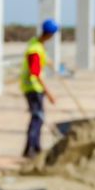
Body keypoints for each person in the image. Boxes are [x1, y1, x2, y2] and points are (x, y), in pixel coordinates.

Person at [21, 17, 59, 155]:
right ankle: (31, 149)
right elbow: (35, 73)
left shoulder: (36, 43)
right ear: (49, 34)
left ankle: (34, 147)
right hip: (33, 88)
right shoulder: (35, 50)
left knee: (38, 117)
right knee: (37, 118)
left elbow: (39, 54)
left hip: (33, 87)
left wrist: (48, 61)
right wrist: (49, 94)